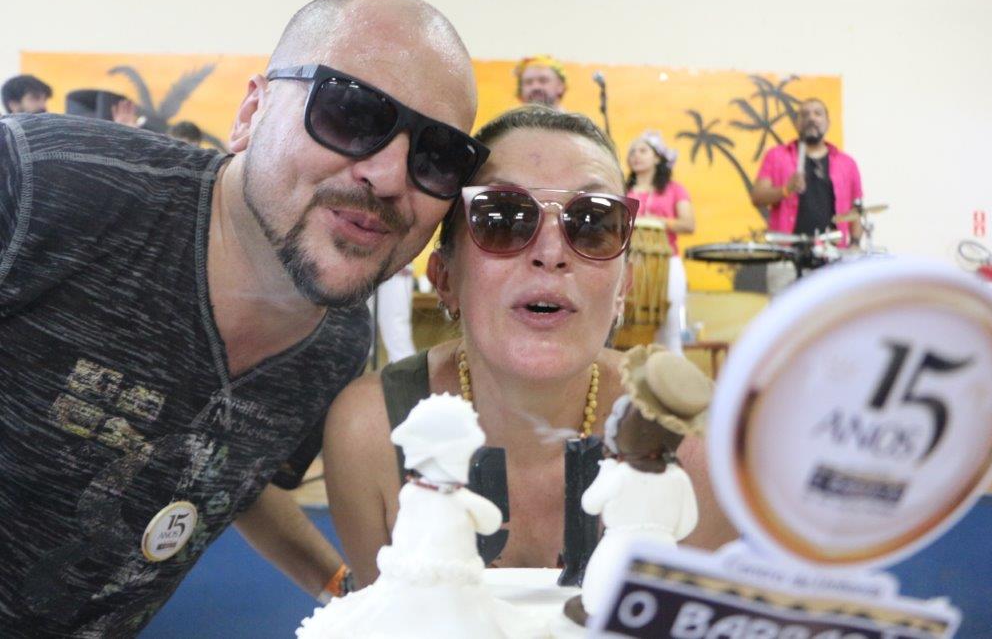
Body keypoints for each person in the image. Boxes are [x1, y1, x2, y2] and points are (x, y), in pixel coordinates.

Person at [0, 0, 485, 636]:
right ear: (252, 112)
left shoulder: (338, 343)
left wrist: (347, 591)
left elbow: (231, 476)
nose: (391, 176)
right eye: (350, 113)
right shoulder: (43, 183)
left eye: (438, 156)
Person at [324, 106, 736, 591]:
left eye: (593, 223)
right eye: (503, 219)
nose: (551, 253)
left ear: (622, 289)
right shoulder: (372, 433)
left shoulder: (695, 441)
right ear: (445, 277)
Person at [750, 98, 864, 293]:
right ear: (796, 123)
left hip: (834, 258)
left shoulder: (847, 163)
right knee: (786, 312)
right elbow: (757, 196)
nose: (811, 118)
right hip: (786, 258)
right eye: (805, 114)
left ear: (827, 122)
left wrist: (854, 245)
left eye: (818, 113)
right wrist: (785, 189)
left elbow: (856, 210)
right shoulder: (776, 156)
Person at [626, 130, 695, 354]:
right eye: (632, 152)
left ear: (657, 157)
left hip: (667, 262)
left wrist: (658, 222)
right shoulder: (622, 190)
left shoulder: (674, 189)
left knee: (671, 325)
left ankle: (671, 371)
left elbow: (688, 224)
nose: (636, 155)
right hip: (628, 262)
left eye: (643, 150)